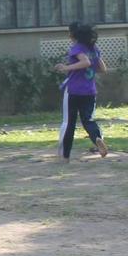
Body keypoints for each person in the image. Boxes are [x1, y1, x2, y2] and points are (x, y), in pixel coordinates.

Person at [54, 22, 109, 162]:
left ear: (73, 35)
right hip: (89, 91)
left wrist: (66, 67)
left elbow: (86, 62)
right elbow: (102, 68)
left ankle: (65, 156)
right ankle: (97, 138)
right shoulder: (93, 49)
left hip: (73, 90)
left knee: (68, 123)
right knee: (88, 120)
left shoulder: (77, 48)